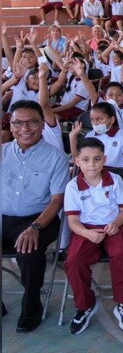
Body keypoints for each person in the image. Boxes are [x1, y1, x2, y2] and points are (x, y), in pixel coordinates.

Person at [2, 100, 70, 332]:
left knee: (28, 252)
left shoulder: (56, 158)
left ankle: (31, 307)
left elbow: (56, 200)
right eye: (18, 123)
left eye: (32, 122)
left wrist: (35, 227)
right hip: (3, 218)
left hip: (40, 218)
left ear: (42, 124)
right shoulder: (1, 153)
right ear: (11, 126)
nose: (25, 128)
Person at [63, 137, 123, 335]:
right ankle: (85, 305)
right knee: (74, 260)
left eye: (97, 159)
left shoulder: (115, 180)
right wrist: (87, 233)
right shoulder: (73, 186)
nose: (91, 164)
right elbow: (73, 222)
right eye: (86, 159)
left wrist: (115, 224)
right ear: (77, 161)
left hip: (114, 226)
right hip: (85, 229)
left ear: (104, 159)